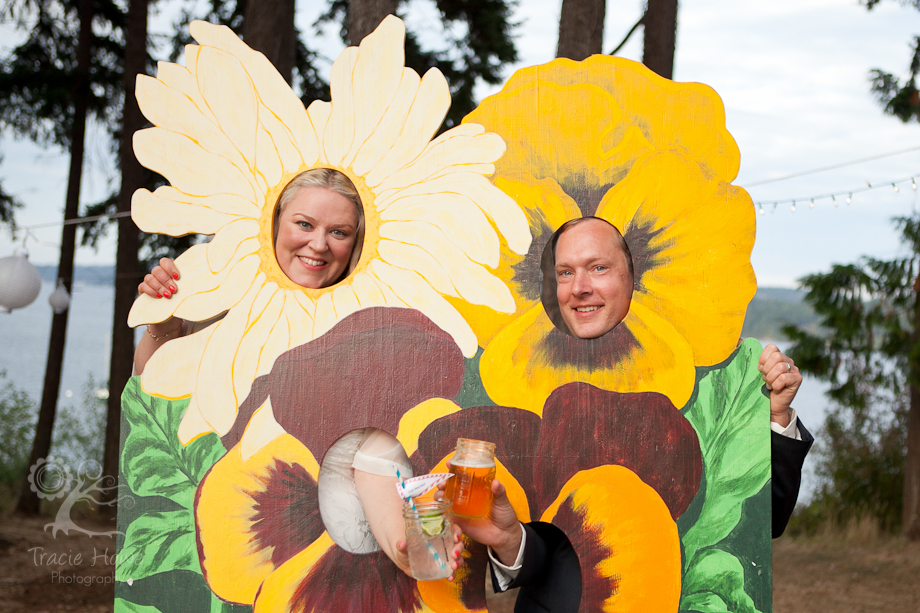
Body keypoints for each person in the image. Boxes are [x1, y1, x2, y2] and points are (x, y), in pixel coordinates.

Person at [452, 216, 813, 612]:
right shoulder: (516, 380)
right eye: (566, 272)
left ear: (633, 277)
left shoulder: (695, 379)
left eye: (598, 268)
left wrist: (776, 419)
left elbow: (762, 522)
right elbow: (543, 545)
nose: (580, 287)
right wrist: (509, 542)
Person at [133, 168, 462, 578]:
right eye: (304, 224)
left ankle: (408, 547)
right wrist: (164, 319)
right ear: (273, 224)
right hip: (263, 519)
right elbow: (149, 393)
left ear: (358, 243)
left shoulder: (379, 317)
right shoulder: (228, 302)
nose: (318, 244)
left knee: (372, 448)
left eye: (339, 232)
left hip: (363, 521)